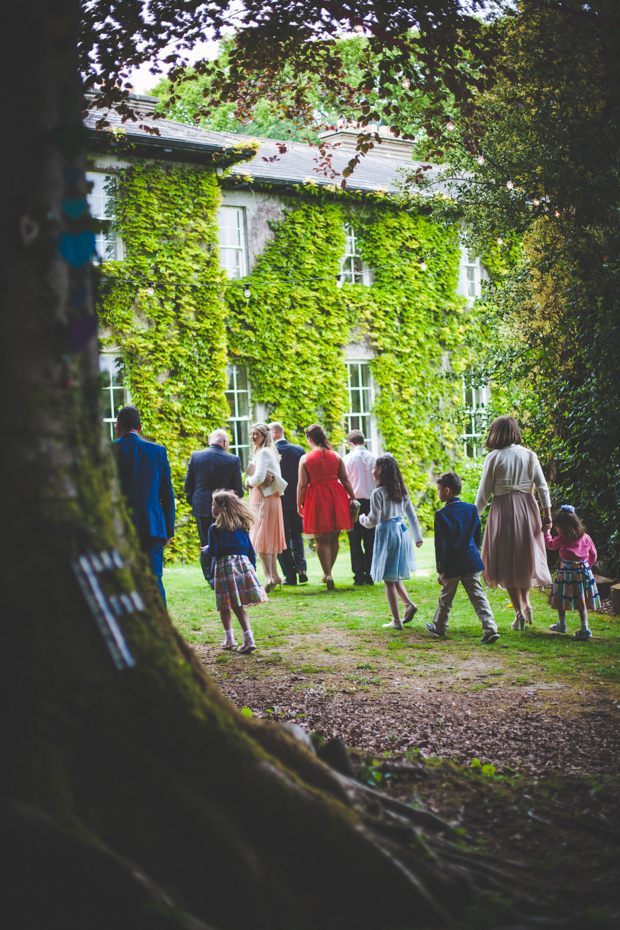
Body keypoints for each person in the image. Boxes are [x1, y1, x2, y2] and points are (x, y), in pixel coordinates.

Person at [475, 415, 552, 630]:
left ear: (495, 433)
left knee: (505, 560)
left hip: (503, 510)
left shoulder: (493, 457)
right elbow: (543, 487)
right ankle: (527, 605)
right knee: (524, 557)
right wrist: (548, 515)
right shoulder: (529, 455)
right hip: (528, 508)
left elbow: (483, 493)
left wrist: (474, 517)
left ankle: (519, 612)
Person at [426, 472, 499, 645]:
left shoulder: (441, 514)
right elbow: (476, 536)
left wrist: (441, 570)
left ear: (447, 490)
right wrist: (473, 553)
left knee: (446, 597)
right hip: (470, 561)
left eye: (438, 490)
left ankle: (440, 627)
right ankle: (490, 629)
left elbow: (440, 546)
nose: (437, 493)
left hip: (451, 564)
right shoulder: (472, 509)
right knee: (478, 596)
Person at [113, 405, 175, 605]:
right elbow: (167, 494)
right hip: (152, 527)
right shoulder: (158, 451)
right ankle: (161, 630)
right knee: (154, 582)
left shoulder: (108, 450)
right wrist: (168, 530)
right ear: (140, 427)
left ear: (118, 425)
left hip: (118, 527)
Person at [360, 455, 422, 629]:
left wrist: (362, 519)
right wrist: (417, 537)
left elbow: (374, 520)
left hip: (388, 534)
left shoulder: (377, 493)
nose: (372, 471)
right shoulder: (402, 490)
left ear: (381, 472)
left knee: (389, 578)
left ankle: (396, 621)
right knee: (393, 573)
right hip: (402, 533)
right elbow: (412, 515)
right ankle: (408, 605)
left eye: (374, 468)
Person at [200, 490, 267, 654]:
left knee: (225, 605)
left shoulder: (214, 529)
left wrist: (206, 550)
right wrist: (252, 569)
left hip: (225, 569)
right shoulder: (242, 527)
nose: (211, 508)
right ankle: (244, 638)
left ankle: (233, 639)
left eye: (213, 504)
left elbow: (215, 550)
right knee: (238, 605)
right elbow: (250, 551)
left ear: (221, 509)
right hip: (243, 566)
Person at [297, 424, 356, 590]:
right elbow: (345, 479)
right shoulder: (336, 455)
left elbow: (302, 484)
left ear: (310, 439)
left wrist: (298, 503)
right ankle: (329, 573)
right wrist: (352, 497)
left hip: (316, 497)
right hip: (336, 497)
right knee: (333, 537)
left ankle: (327, 573)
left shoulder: (306, 458)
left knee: (320, 538)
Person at [184, 429, 244, 590]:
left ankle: (210, 577)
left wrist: (194, 502)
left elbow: (188, 486)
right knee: (223, 540)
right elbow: (238, 488)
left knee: (205, 541)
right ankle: (220, 575)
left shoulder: (196, 456)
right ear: (224, 443)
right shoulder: (233, 459)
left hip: (201, 505)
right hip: (224, 508)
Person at [545, 504, 600, 641]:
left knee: (561, 596)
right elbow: (593, 554)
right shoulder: (585, 537)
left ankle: (562, 624)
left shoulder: (563, 538)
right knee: (582, 599)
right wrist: (587, 567)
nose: (557, 529)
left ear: (564, 526)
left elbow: (550, 545)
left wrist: (546, 533)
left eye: (557, 526)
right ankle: (584, 628)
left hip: (567, 572)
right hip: (583, 571)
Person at [245, 422, 287, 593]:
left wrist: (247, 480)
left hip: (262, 498)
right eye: (251, 434)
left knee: (261, 537)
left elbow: (260, 477)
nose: (253, 437)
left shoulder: (263, 452)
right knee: (268, 536)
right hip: (271, 498)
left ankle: (269, 576)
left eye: (256, 434)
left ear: (264, 435)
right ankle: (275, 575)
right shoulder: (270, 451)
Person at [270, 421, 308, 586]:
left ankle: (290, 576)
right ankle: (301, 569)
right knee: (296, 535)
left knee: (282, 538)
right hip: (297, 500)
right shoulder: (299, 450)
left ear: (274, 434)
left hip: (279, 501)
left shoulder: (270, 452)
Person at [343, 429, 376, 586]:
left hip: (353, 503)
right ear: (364, 441)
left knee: (354, 540)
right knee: (370, 540)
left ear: (350, 443)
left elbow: (342, 483)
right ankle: (370, 574)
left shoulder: (347, 459)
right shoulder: (374, 459)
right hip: (371, 502)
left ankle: (358, 575)